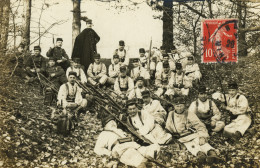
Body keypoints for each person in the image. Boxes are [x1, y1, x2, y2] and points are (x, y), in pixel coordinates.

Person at [165, 97, 221, 164]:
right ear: (174, 106)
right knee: (191, 146)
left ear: (184, 105)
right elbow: (168, 127)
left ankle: (212, 154)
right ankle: (200, 155)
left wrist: (202, 137)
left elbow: (199, 125)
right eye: (177, 106)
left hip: (192, 134)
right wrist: (170, 137)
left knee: (202, 143)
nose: (179, 108)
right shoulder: (171, 114)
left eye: (181, 106)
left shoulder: (189, 113)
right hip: (181, 137)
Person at [94, 119, 160, 168]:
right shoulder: (104, 134)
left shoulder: (120, 131)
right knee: (141, 162)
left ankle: (149, 161)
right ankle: (145, 162)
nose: (113, 123)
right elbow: (97, 149)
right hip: (124, 150)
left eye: (113, 121)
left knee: (156, 147)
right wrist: (110, 153)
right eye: (110, 122)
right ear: (105, 126)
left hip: (135, 146)